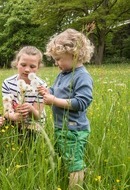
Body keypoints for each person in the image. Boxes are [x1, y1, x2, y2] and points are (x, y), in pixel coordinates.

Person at [38, 28, 94, 189]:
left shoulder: (81, 76)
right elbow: (56, 92)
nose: (56, 63)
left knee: (74, 162)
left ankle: (76, 185)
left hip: (74, 129)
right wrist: (48, 92)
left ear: (75, 54)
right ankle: (77, 177)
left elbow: (82, 102)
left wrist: (54, 100)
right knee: (66, 157)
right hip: (61, 127)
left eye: (59, 59)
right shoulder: (63, 74)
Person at [1, 46, 47, 133]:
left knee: (27, 136)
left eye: (32, 66)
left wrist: (30, 109)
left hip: (34, 123)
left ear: (38, 67)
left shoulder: (41, 85)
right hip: (14, 119)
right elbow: (6, 111)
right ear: (17, 63)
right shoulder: (7, 83)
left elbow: (38, 116)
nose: (27, 70)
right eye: (23, 65)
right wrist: (14, 117)